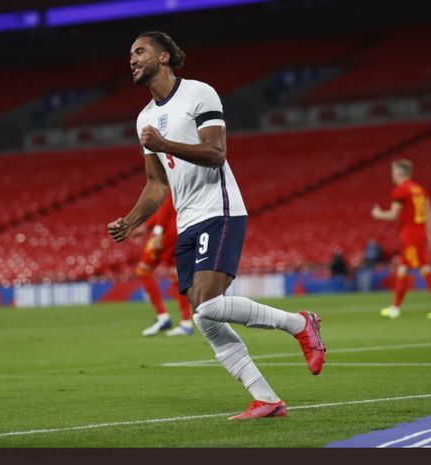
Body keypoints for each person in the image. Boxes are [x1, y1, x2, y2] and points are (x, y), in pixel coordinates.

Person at [107, 31, 325, 420]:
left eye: (139, 51)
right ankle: (267, 399)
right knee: (205, 315)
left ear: (163, 57)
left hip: (219, 208)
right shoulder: (144, 119)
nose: (132, 59)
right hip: (187, 219)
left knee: (208, 304)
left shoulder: (199, 94)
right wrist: (130, 221)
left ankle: (299, 324)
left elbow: (216, 153)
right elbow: (157, 185)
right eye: (130, 54)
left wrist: (166, 144)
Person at [371, 159, 431, 319]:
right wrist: (429, 234)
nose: (392, 175)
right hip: (419, 233)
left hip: (411, 236)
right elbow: (429, 212)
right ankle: (395, 308)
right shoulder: (419, 189)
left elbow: (394, 214)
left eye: (393, 172)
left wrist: (378, 214)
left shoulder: (401, 190)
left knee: (424, 268)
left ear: (399, 173)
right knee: (403, 269)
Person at [135, 191, 193, 336]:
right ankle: (185, 322)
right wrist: (148, 226)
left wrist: (157, 232)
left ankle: (164, 317)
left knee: (143, 271)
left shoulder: (170, 177)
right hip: (177, 230)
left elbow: (166, 207)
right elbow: (167, 210)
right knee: (176, 277)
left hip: (168, 233)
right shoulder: (181, 181)